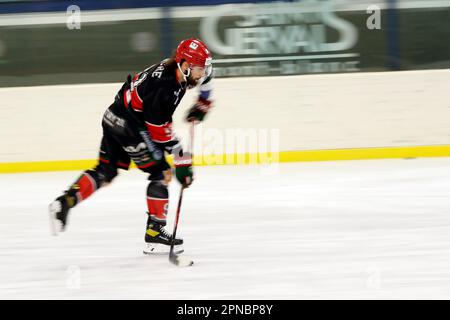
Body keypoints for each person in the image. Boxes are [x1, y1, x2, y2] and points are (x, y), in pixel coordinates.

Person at [49, 38, 214, 254]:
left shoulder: (175, 67)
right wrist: (182, 158)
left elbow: (208, 79)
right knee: (161, 173)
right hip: (131, 126)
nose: (202, 74)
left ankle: (63, 203)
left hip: (113, 115)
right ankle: (154, 235)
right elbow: (158, 130)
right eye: (199, 69)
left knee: (105, 172)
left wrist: (204, 101)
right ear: (184, 65)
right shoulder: (165, 86)